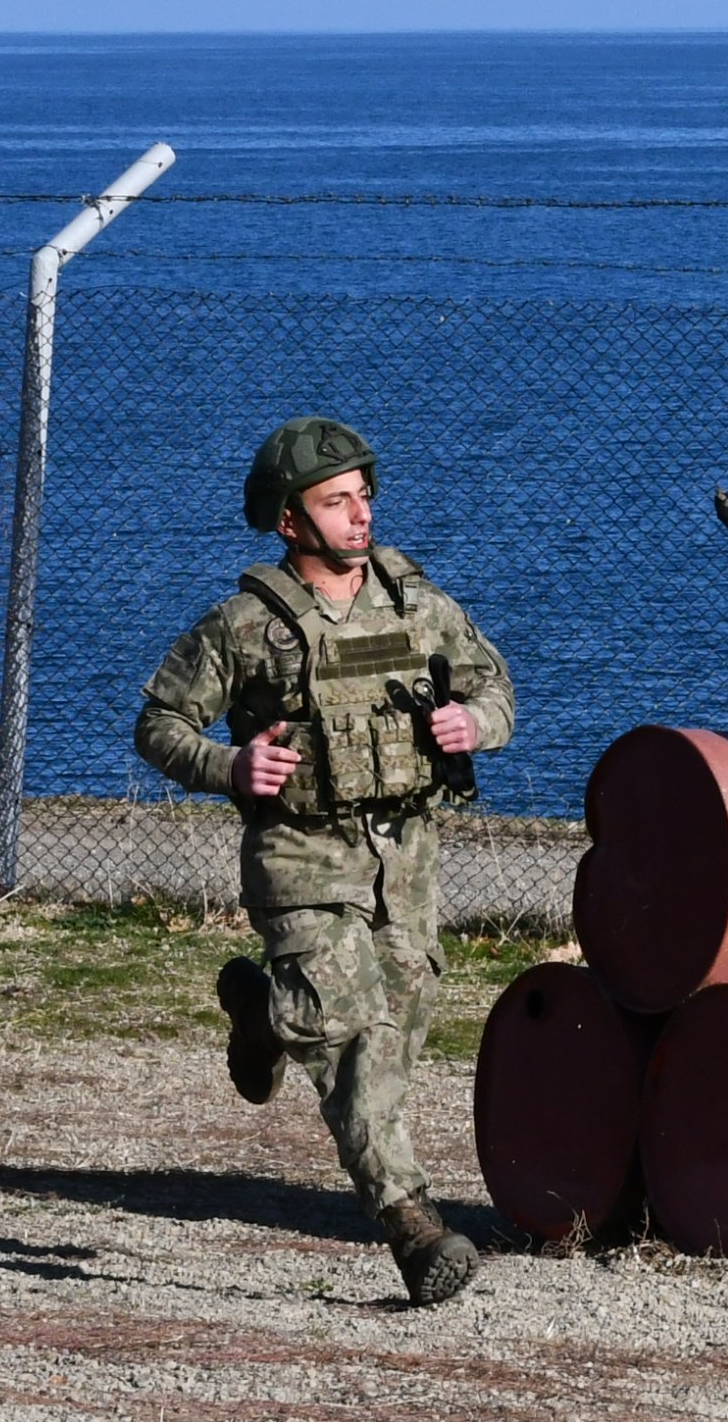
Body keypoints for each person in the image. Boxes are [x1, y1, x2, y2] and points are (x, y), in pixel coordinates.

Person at [135, 418, 511, 1306]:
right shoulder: (245, 626)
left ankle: (265, 1015)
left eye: (364, 496)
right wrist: (231, 765)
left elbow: (495, 686)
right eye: (337, 501)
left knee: (393, 1039)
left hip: (404, 862)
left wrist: (473, 723)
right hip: (300, 857)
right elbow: (159, 723)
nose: (360, 514)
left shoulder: (417, 604)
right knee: (349, 1036)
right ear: (289, 520)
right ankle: (413, 1225)